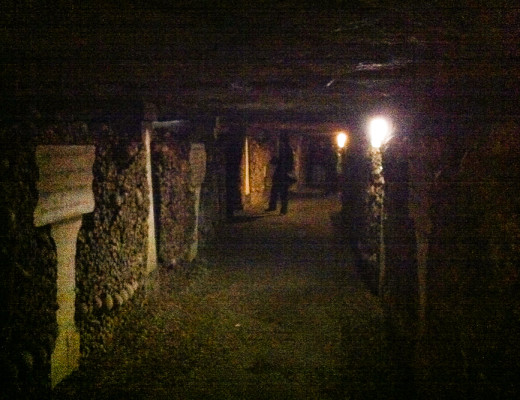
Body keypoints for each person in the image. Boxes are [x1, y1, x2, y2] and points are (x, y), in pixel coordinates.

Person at [266, 133, 295, 215]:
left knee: (283, 192)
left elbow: (283, 161)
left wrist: (274, 160)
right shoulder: (285, 149)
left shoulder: (285, 150)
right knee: (275, 190)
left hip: (283, 174)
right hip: (281, 173)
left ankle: (283, 210)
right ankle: (274, 206)